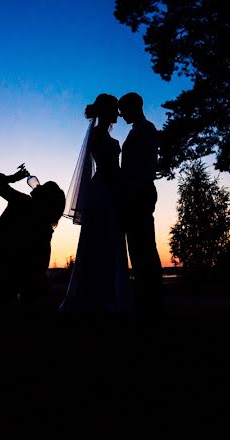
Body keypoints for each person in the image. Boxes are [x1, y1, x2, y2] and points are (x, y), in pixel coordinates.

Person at [59, 93, 131, 315]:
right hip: (104, 190)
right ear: (106, 111)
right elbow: (109, 169)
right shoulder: (98, 135)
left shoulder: (100, 134)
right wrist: (122, 188)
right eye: (114, 109)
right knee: (102, 239)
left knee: (108, 239)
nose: (118, 113)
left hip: (105, 188)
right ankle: (100, 295)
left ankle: (106, 293)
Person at [0, 166, 66, 310]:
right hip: (19, 276)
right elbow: (39, 264)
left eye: (42, 187)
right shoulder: (45, 227)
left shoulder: (23, 201)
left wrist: (13, 178)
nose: (38, 186)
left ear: (44, 197)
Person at [118, 92, 163, 318]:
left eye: (123, 109)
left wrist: (131, 191)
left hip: (139, 192)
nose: (120, 114)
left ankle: (150, 297)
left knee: (143, 245)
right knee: (139, 246)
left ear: (134, 107)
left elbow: (142, 165)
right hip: (136, 191)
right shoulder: (140, 129)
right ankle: (147, 295)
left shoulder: (144, 129)